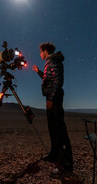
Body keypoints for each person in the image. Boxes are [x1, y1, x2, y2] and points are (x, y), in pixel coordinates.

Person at [32, 42, 73, 177]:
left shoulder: (53, 60)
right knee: (53, 129)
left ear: (45, 51)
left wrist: (51, 99)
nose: (40, 54)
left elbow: (57, 81)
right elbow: (49, 78)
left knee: (59, 130)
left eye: (40, 52)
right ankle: (54, 154)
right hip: (51, 97)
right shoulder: (50, 62)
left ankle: (65, 166)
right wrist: (38, 71)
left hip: (53, 99)